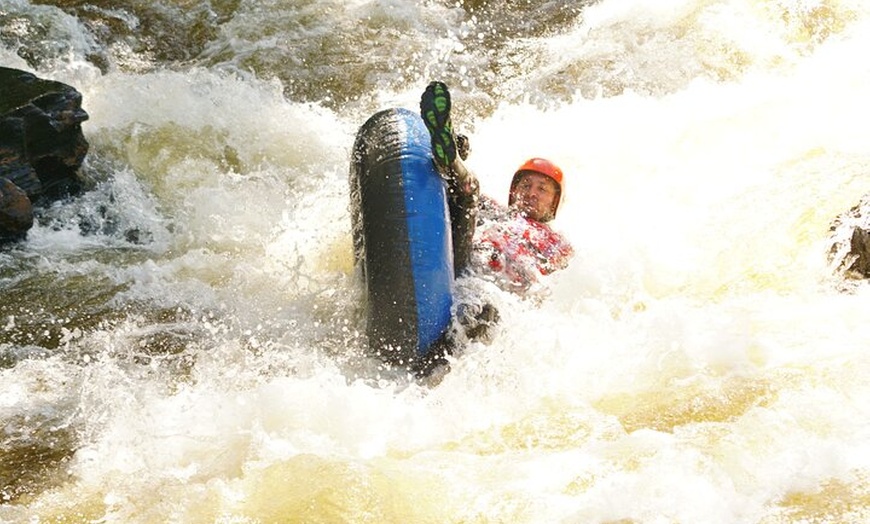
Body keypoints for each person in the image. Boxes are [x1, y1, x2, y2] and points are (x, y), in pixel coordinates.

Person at [418, 81, 574, 344]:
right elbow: (461, 199)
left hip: (495, 289)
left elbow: (550, 291)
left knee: (482, 310)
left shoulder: (559, 245)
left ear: (554, 202)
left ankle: (452, 156)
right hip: (461, 261)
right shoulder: (499, 212)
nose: (531, 193)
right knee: (468, 191)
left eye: (542, 189)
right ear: (513, 192)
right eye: (525, 185)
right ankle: (451, 155)